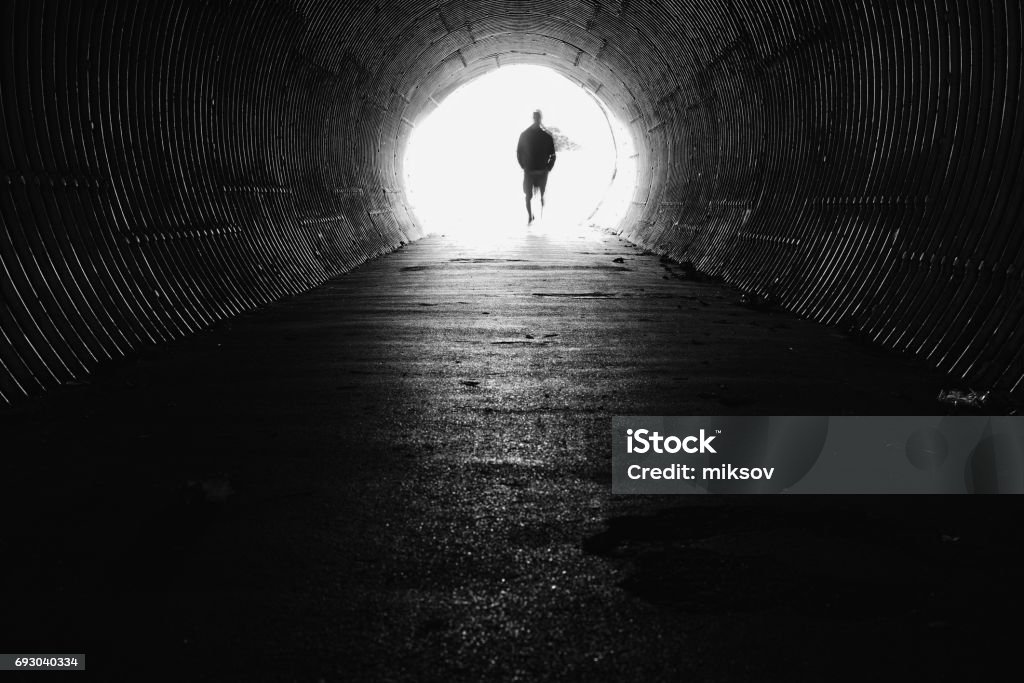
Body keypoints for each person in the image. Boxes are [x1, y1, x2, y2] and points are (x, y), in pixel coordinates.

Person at [516, 110, 556, 223]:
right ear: (537, 118)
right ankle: (531, 216)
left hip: (534, 171)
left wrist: (524, 166)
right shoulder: (545, 136)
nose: (537, 119)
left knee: (528, 196)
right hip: (537, 171)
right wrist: (548, 168)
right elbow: (553, 155)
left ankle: (531, 216)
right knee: (531, 195)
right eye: (536, 117)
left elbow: (518, 153)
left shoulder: (526, 135)